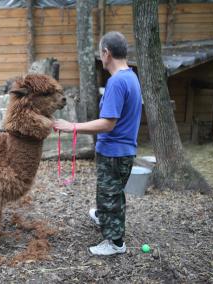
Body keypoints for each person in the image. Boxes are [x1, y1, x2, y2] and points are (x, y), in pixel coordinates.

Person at [54, 31, 142, 256]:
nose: (101, 57)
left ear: (107, 53)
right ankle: (104, 217)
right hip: (123, 151)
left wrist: (72, 126)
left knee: (110, 195)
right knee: (110, 192)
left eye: (101, 52)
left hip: (114, 151)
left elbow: (108, 123)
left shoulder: (116, 82)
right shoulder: (131, 77)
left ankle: (115, 243)